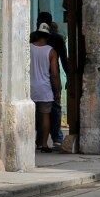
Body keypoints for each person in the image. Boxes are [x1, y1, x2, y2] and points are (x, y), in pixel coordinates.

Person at [36, 12, 68, 147]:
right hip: (51, 79)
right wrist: (69, 78)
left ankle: (40, 140)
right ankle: (57, 138)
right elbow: (64, 61)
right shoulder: (57, 39)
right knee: (55, 108)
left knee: (39, 111)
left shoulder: (32, 38)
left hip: (35, 79)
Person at [30, 23, 60, 152]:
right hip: (44, 89)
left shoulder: (28, 48)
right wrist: (58, 89)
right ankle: (43, 145)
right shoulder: (51, 51)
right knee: (45, 117)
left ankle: (28, 144)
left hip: (29, 87)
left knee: (30, 117)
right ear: (48, 36)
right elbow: (54, 73)